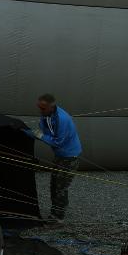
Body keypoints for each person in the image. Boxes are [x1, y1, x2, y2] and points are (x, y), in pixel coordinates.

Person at [25, 93, 82, 221]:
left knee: (61, 187)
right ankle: (56, 211)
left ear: (52, 106)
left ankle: (58, 217)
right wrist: (27, 133)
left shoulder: (62, 119)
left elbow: (58, 142)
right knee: (54, 184)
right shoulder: (47, 115)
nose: (40, 111)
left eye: (43, 108)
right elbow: (44, 131)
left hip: (69, 157)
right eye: (39, 108)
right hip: (59, 155)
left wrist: (38, 135)